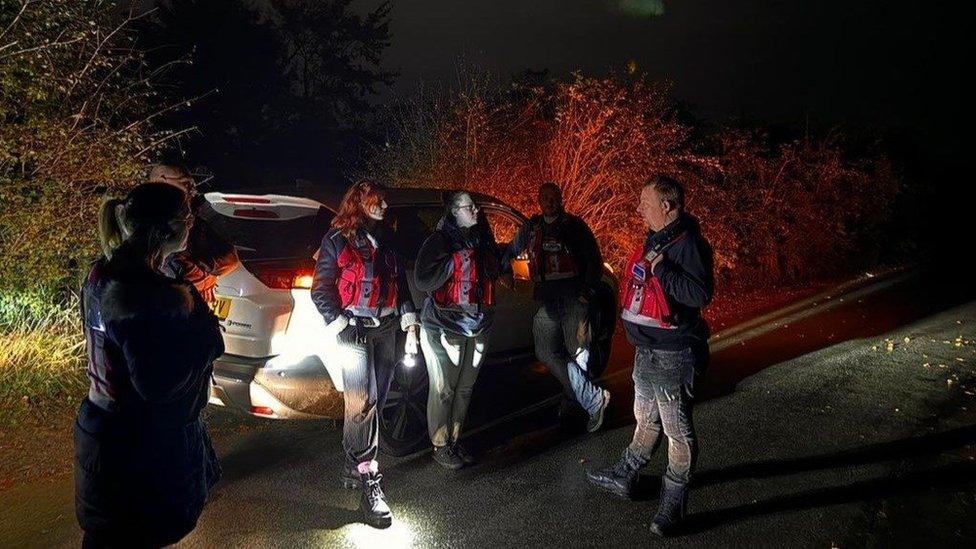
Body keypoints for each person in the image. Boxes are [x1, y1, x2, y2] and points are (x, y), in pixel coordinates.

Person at [75, 183, 224, 548]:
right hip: (140, 449)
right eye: (187, 217)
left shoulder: (100, 274)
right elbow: (158, 383)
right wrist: (203, 330)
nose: (192, 224)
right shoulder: (152, 295)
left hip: (101, 429)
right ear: (166, 229)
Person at [586, 176, 714, 537]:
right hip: (648, 352)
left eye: (645, 201)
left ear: (667, 206)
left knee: (677, 431)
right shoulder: (658, 238)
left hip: (675, 354)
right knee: (645, 419)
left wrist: (661, 268)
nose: (638, 207)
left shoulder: (689, 244)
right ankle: (626, 474)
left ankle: (674, 502)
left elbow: (700, 294)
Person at [310, 182, 419, 528]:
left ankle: (349, 461)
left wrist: (410, 326)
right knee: (364, 402)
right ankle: (369, 480)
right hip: (354, 330)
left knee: (376, 400)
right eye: (378, 200)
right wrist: (340, 324)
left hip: (386, 330)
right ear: (360, 203)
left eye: (385, 199)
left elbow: (399, 283)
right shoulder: (336, 240)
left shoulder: (387, 238)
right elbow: (321, 289)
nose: (385, 205)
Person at [503, 182, 610, 432]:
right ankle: (591, 398)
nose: (550, 202)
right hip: (547, 302)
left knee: (579, 355)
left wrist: (587, 292)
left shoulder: (574, 226)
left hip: (574, 299)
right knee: (545, 352)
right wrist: (504, 269)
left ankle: (576, 401)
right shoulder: (531, 228)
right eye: (545, 198)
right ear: (539, 202)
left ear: (560, 200)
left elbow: (594, 259)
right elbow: (510, 250)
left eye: (554, 198)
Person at [414, 191, 502, 470]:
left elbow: (494, 270)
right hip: (444, 325)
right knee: (444, 389)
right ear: (454, 211)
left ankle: (453, 440)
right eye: (469, 207)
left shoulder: (482, 239)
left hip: (477, 325)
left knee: (464, 389)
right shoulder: (439, 241)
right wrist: (455, 261)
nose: (476, 210)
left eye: (476, 207)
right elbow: (423, 280)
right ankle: (441, 445)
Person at [148, 164, 240, 304]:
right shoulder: (170, 220)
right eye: (185, 183)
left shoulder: (196, 214)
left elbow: (228, 260)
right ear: (162, 180)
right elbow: (227, 260)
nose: (193, 190)